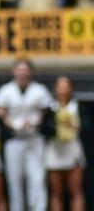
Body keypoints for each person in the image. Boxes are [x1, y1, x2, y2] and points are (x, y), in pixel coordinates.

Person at [0, 58, 52, 211]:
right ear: (14, 72)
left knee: (37, 178)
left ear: (31, 72)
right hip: (14, 139)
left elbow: (45, 111)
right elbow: (0, 110)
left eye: (25, 70)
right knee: (14, 179)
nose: (22, 73)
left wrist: (34, 122)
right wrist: (11, 123)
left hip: (34, 138)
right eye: (19, 70)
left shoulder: (40, 90)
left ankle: (39, 208)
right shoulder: (6, 90)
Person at [44, 76, 86, 211]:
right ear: (55, 89)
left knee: (76, 191)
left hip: (73, 150)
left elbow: (88, 127)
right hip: (55, 150)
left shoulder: (78, 106)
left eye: (65, 87)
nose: (63, 90)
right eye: (60, 87)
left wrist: (73, 125)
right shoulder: (50, 108)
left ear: (71, 89)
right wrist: (56, 126)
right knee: (56, 193)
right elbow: (44, 129)